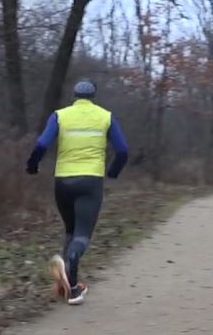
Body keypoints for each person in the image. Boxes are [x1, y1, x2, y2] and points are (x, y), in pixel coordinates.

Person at [25, 79, 129, 305]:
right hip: (90, 181)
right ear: (94, 96)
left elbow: (42, 144)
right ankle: (70, 277)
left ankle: (69, 287)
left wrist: (33, 165)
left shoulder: (60, 116)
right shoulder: (105, 116)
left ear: (74, 96)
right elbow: (122, 150)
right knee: (82, 235)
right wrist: (112, 172)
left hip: (63, 181)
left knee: (71, 231)